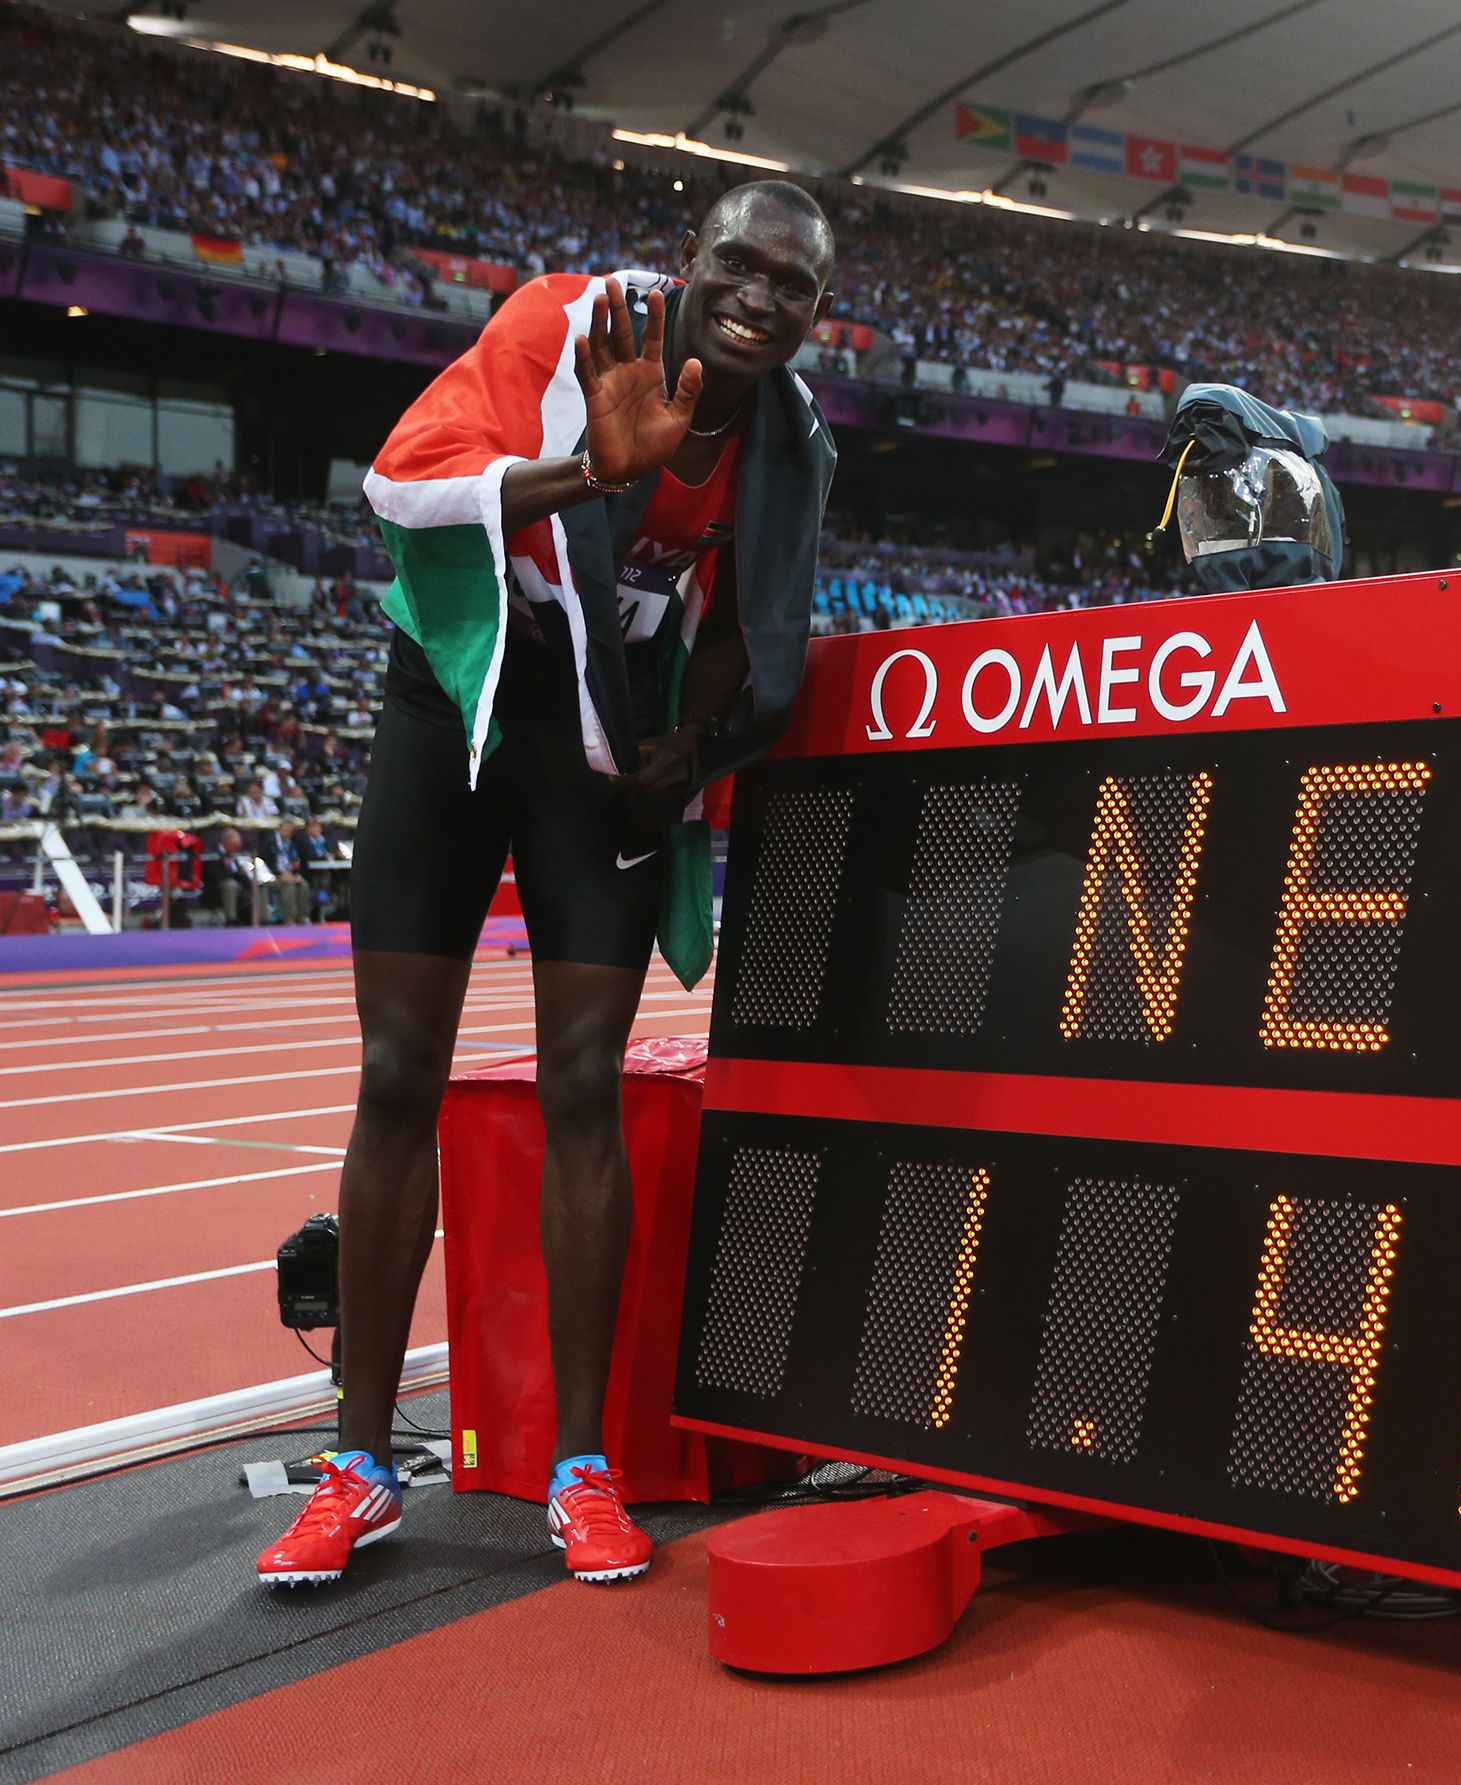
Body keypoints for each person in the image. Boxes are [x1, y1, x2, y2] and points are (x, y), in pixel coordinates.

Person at [255, 181, 840, 1591]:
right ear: (692, 260)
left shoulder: (791, 438)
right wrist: (590, 469)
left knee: (585, 1087)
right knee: (399, 1072)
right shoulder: (564, 327)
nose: (762, 299)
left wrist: (691, 747)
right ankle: (354, 1466)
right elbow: (401, 482)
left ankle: (584, 1471)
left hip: (598, 742)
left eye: (796, 287)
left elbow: (745, 616)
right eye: (741, 266)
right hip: (453, 708)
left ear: (819, 313)